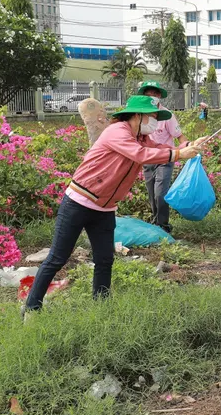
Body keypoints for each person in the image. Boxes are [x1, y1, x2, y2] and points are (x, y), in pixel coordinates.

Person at [24, 96, 202, 313]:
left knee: (104, 259)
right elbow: (141, 155)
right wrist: (178, 154)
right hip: (79, 201)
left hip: (105, 208)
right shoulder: (117, 131)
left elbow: (159, 147)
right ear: (137, 115)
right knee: (57, 258)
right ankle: (32, 308)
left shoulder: (141, 137)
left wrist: (187, 146)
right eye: (153, 116)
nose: (155, 121)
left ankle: (101, 308)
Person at [137, 81, 189, 233]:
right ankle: (156, 222)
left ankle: (164, 225)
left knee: (160, 193)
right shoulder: (141, 115)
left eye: (154, 94)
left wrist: (188, 147)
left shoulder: (167, 116)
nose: (152, 97)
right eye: (148, 94)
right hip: (148, 158)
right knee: (152, 193)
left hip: (165, 159)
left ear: (159, 96)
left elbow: (180, 136)